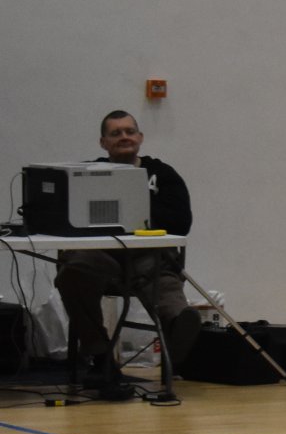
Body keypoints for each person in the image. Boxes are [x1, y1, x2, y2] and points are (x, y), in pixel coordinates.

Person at [55, 110, 201, 386]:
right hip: (102, 254)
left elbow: (182, 222)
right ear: (103, 142)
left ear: (140, 137)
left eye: (129, 131)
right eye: (116, 133)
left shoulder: (163, 174)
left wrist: (135, 207)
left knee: (163, 283)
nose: (124, 137)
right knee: (73, 272)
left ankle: (180, 328)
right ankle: (100, 357)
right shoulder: (87, 174)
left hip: (149, 254)